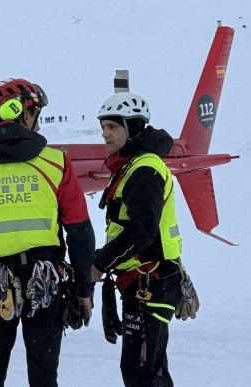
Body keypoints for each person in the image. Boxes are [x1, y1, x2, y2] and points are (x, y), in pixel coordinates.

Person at [0, 78, 96, 387]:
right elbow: (80, 231)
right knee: (43, 378)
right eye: (35, 113)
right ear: (24, 113)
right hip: (45, 287)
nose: (37, 122)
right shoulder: (56, 162)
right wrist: (83, 290)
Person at [90, 92, 183, 387]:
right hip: (145, 280)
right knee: (149, 370)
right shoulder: (133, 166)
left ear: (133, 127)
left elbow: (141, 232)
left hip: (151, 281)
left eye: (112, 127)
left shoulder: (144, 170)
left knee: (141, 372)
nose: (105, 134)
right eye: (103, 126)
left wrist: (100, 263)